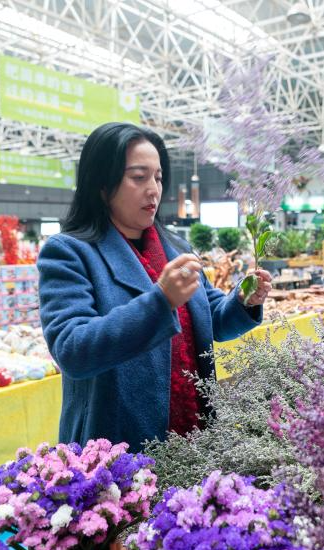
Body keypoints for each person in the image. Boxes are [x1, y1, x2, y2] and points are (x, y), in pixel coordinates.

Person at [38, 122, 272, 452]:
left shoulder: (176, 248)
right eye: (138, 177)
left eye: (158, 177)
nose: (154, 189)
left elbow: (213, 320)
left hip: (195, 437)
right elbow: (72, 350)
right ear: (103, 184)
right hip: (118, 444)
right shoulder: (69, 252)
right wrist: (160, 301)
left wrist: (243, 301)